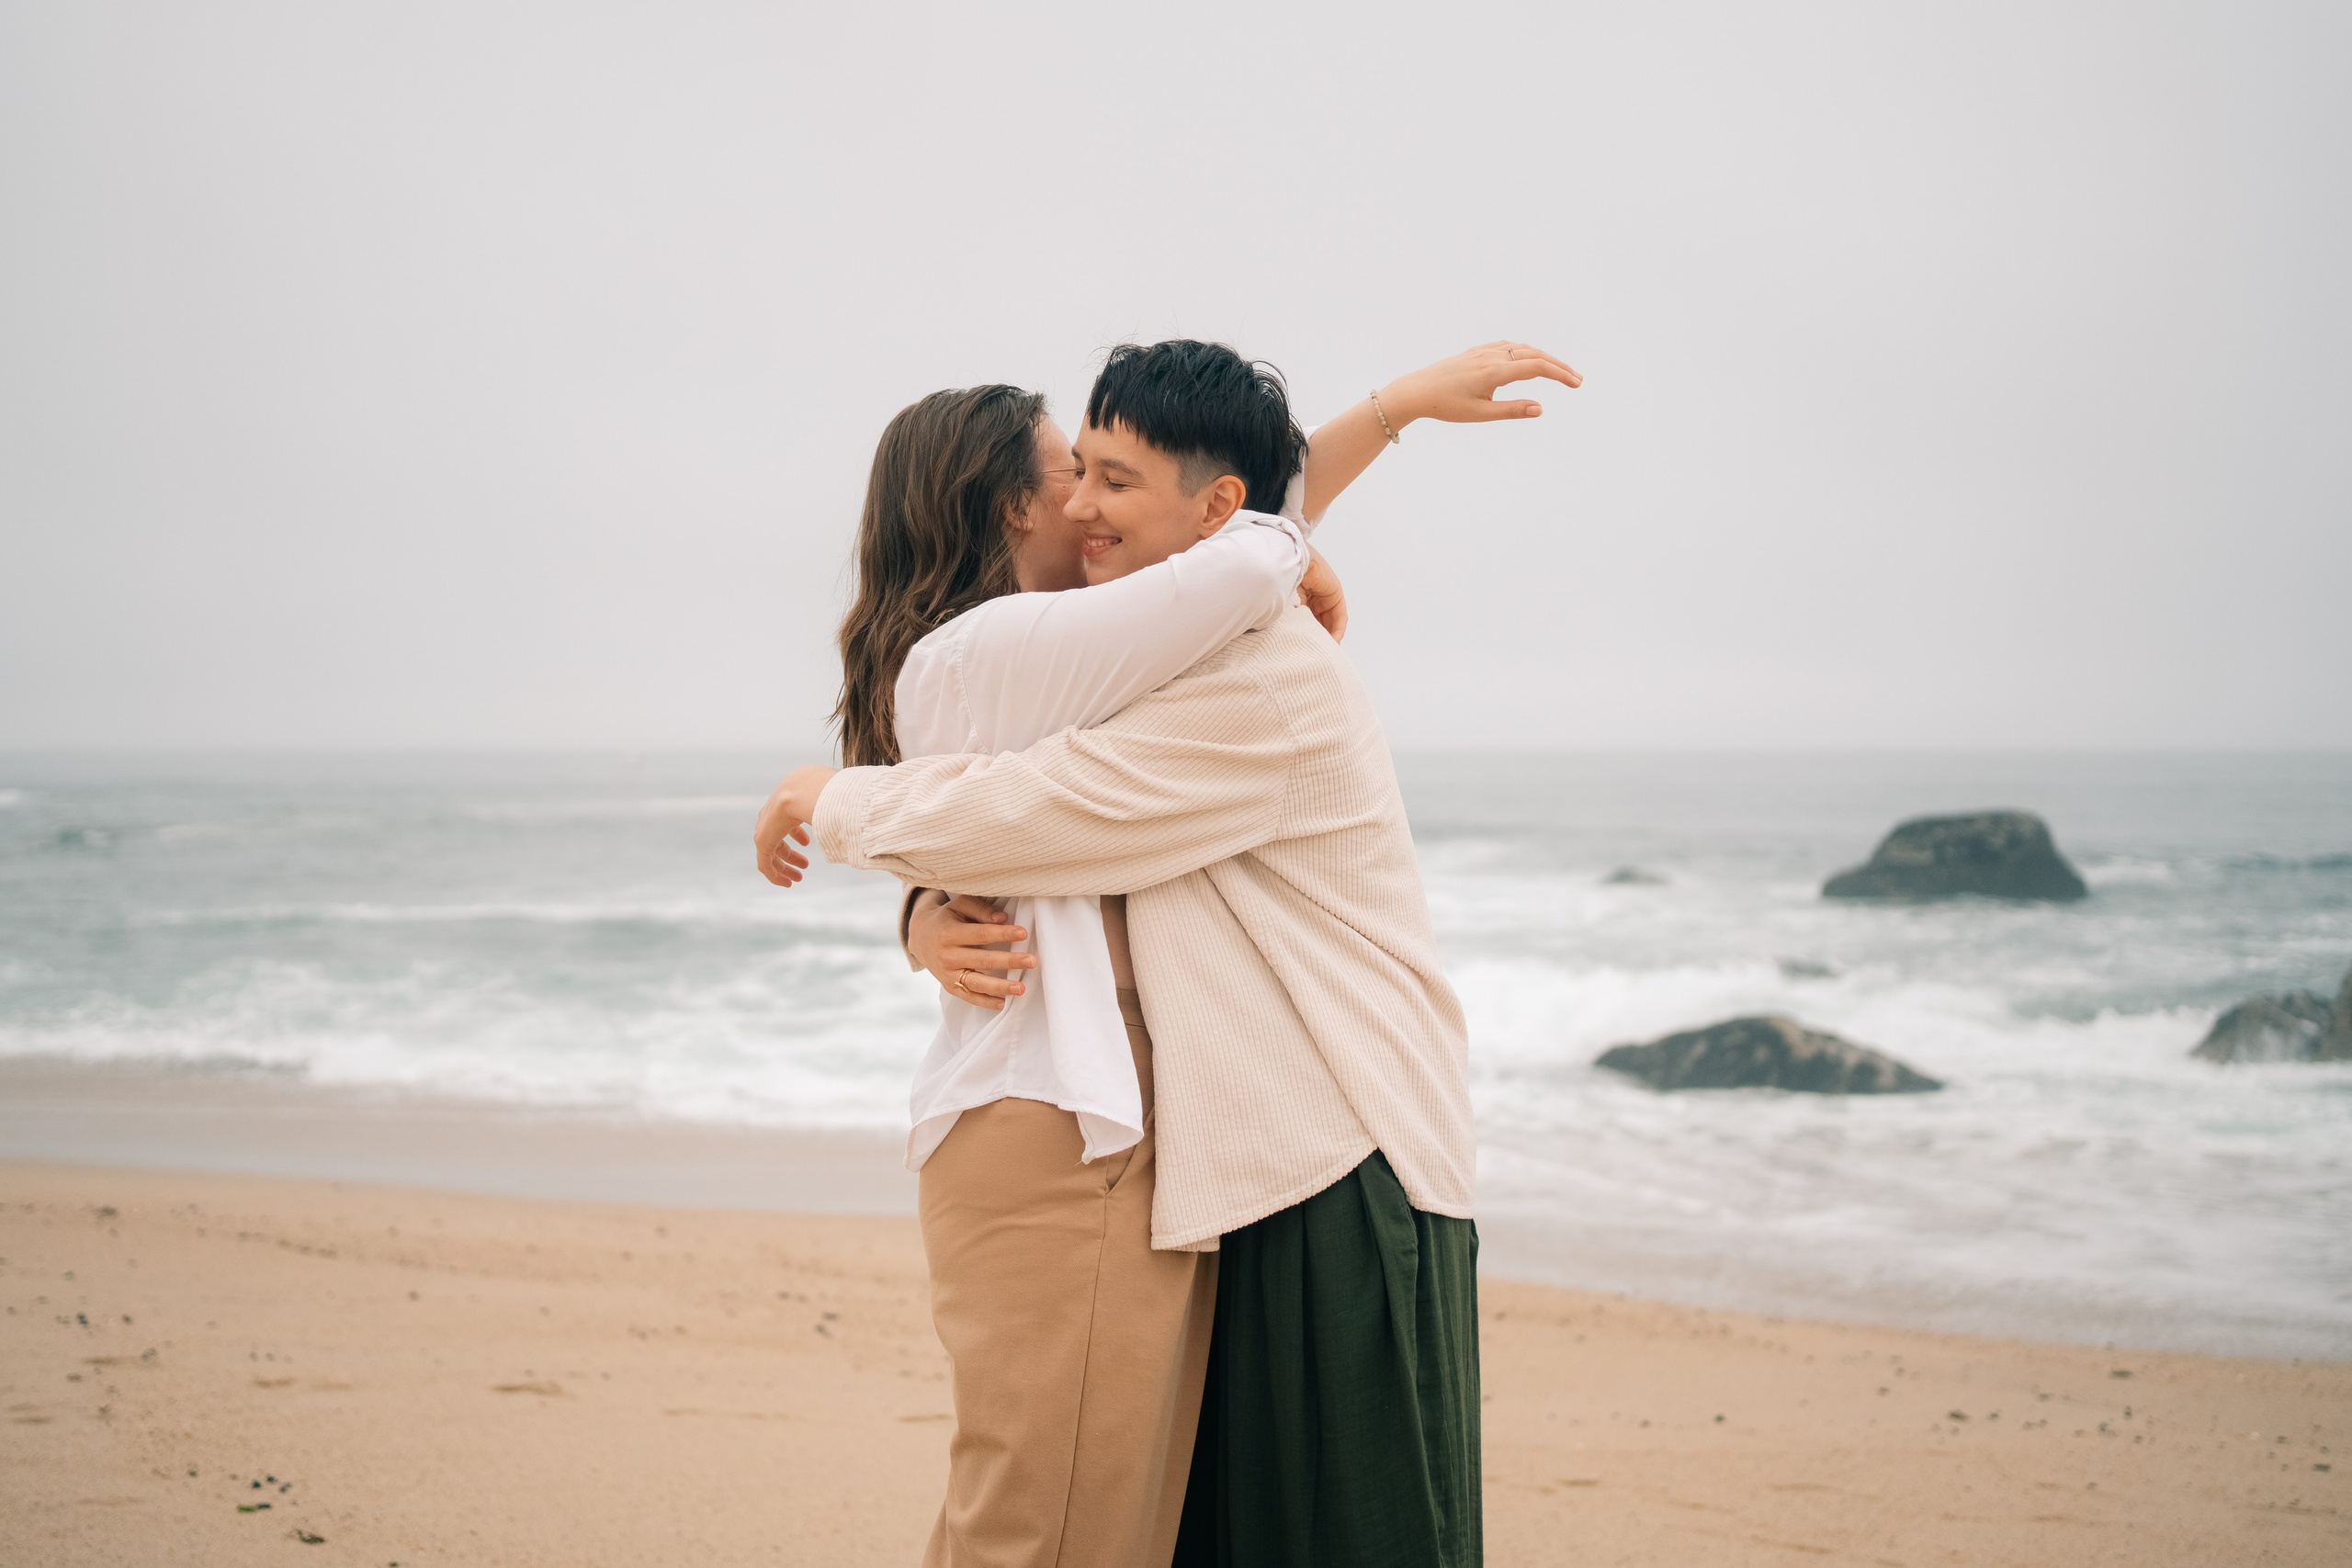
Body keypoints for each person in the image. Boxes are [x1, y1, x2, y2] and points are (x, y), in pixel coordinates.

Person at [755, 339, 1577, 1568]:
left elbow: (1054, 798)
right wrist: (883, 859)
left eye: (1106, 478)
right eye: (1068, 473)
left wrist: (858, 831)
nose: (1087, 502)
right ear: (1001, 513)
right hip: (1138, 1134)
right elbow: (1209, 556)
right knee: (1063, 1529)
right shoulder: (1054, 655)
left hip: (1268, 1140)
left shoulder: (1177, 666)